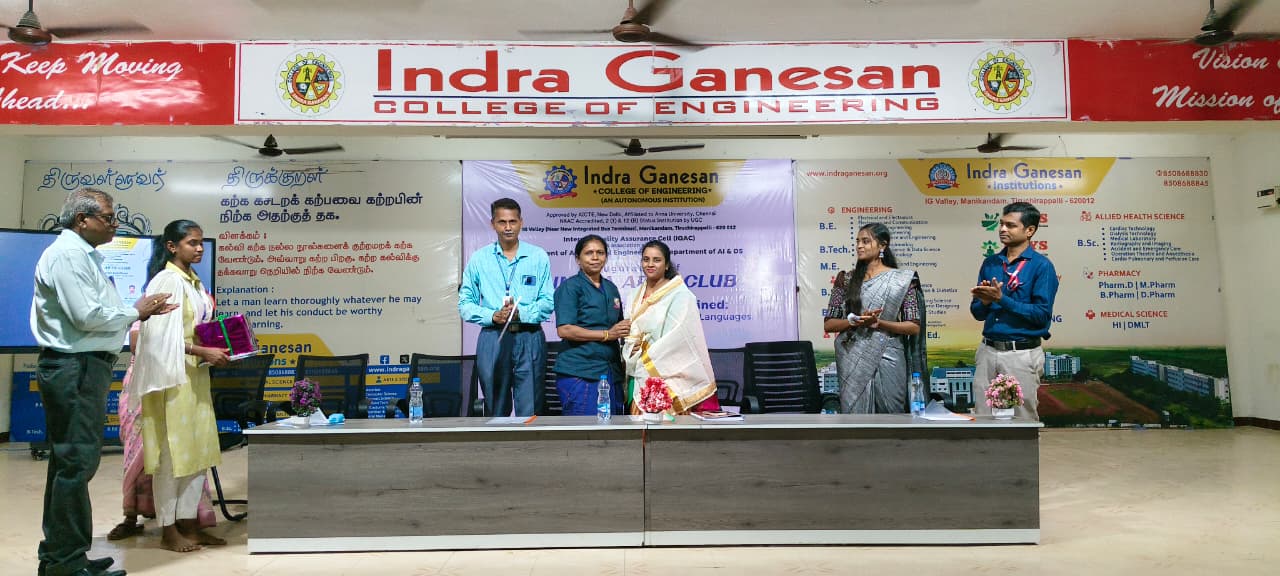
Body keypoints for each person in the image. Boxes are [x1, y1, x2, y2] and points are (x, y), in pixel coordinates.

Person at [30, 188, 176, 576]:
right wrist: (136, 311)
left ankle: (64, 557)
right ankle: (64, 563)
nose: (115, 225)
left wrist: (138, 313)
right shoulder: (68, 255)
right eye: (109, 218)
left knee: (70, 465)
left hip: (82, 367)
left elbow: (97, 312)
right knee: (75, 466)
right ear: (82, 220)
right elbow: (85, 316)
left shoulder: (82, 255)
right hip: (74, 367)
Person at [130, 219, 230, 553]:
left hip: (194, 376)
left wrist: (225, 346)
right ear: (172, 246)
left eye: (201, 243)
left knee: (196, 453)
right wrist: (203, 351)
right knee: (171, 457)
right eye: (192, 243)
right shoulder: (167, 280)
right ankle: (168, 529)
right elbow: (158, 338)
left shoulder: (194, 281)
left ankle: (190, 524)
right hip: (170, 380)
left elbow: (198, 328)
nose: (200, 249)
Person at [108, 321, 217, 542]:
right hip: (146, 385)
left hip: (182, 384)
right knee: (141, 456)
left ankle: (187, 521)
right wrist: (193, 349)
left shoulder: (193, 314)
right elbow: (136, 345)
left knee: (185, 455)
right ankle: (131, 518)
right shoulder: (149, 315)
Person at [458, 198, 554, 417]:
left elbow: (548, 302)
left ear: (521, 222)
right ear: (493, 224)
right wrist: (492, 315)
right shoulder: (479, 259)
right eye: (502, 222)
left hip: (529, 336)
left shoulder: (537, 256)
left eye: (513, 221)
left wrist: (522, 313)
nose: (508, 227)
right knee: (495, 407)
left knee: (530, 406)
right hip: (493, 336)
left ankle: (529, 439)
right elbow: (465, 304)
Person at [823, 223, 927, 414]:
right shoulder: (845, 279)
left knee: (892, 413)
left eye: (865, 241)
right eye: (857, 242)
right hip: (851, 355)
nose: (859, 246)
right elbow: (829, 324)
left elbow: (913, 326)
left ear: (882, 245)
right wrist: (853, 321)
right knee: (855, 417)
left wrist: (879, 323)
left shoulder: (902, 280)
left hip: (889, 354)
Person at [970, 202, 1059, 420]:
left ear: (1029, 230)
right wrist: (986, 302)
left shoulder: (1042, 266)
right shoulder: (991, 263)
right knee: (982, 416)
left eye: (1010, 225)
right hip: (988, 351)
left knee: (1022, 419)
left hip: (1021, 354)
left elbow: (1041, 315)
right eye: (1001, 224)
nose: (1002, 229)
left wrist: (1001, 299)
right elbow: (977, 313)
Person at [620, 240, 720, 414]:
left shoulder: (680, 294)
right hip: (638, 372)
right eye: (646, 259)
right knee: (637, 427)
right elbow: (631, 332)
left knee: (666, 428)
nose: (650, 264)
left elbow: (681, 337)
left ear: (666, 264)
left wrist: (645, 350)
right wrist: (631, 346)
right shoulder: (634, 294)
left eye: (657, 260)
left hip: (669, 374)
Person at [553, 235, 630, 415]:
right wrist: (607, 334)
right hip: (581, 372)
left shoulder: (611, 288)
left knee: (614, 428)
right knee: (586, 428)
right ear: (578, 259)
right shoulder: (570, 287)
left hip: (611, 372)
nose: (595, 257)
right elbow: (564, 330)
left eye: (600, 253)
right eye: (589, 253)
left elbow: (619, 328)